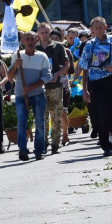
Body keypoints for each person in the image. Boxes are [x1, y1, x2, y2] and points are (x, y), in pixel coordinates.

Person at [78, 17, 112, 157]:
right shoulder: (89, 45)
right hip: (96, 82)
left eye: (101, 26)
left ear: (106, 26)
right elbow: (84, 67)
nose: (99, 29)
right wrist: (84, 89)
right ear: (92, 29)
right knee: (101, 114)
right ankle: (106, 145)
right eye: (96, 27)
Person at [6, 31, 50, 161]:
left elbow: (47, 76)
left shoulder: (42, 56)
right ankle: (23, 150)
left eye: (32, 39)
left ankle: (39, 150)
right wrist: (15, 66)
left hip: (37, 94)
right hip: (21, 95)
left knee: (40, 123)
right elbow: (9, 77)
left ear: (36, 40)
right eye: (27, 39)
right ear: (23, 41)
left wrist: (31, 87)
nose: (30, 41)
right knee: (21, 123)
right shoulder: (17, 56)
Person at [35, 24, 71, 155]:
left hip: (55, 85)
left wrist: (57, 74)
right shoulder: (34, 47)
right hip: (39, 87)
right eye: (42, 32)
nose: (44, 35)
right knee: (41, 117)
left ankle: (55, 143)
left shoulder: (58, 46)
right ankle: (43, 143)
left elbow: (67, 65)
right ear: (38, 33)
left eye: (46, 32)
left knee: (56, 116)